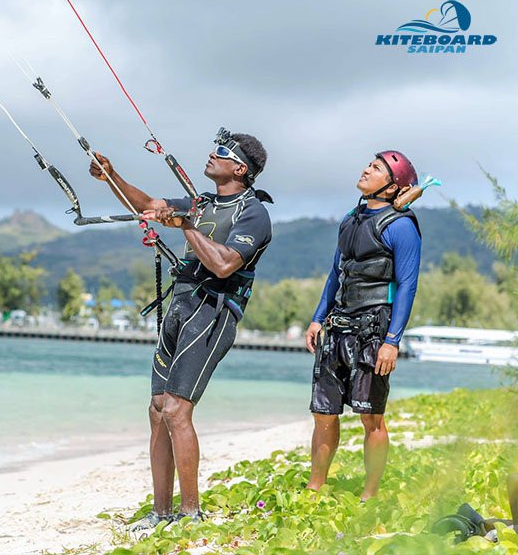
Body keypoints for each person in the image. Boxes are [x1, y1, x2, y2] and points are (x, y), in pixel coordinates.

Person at [88, 128, 272, 527]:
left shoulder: (254, 212)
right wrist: (111, 177)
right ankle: (160, 512)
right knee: (157, 410)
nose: (211, 154)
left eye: (221, 152)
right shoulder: (202, 203)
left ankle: (191, 514)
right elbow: (150, 206)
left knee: (176, 409)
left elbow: (224, 264)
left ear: (241, 168)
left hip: (213, 310)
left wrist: (187, 225)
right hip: (181, 304)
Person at [304, 150, 422, 501]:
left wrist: (392, 340)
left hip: (374, 329)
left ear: (391, 186)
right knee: (323, 412)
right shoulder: (350, 219)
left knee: (371, 417)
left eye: (376, 169)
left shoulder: (402, 226)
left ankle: (369, 493)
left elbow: (407, 285)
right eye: (369, 165)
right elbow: (335, 274)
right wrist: (317, 317)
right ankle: (316, 486)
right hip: (338, 325)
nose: (366, 170)